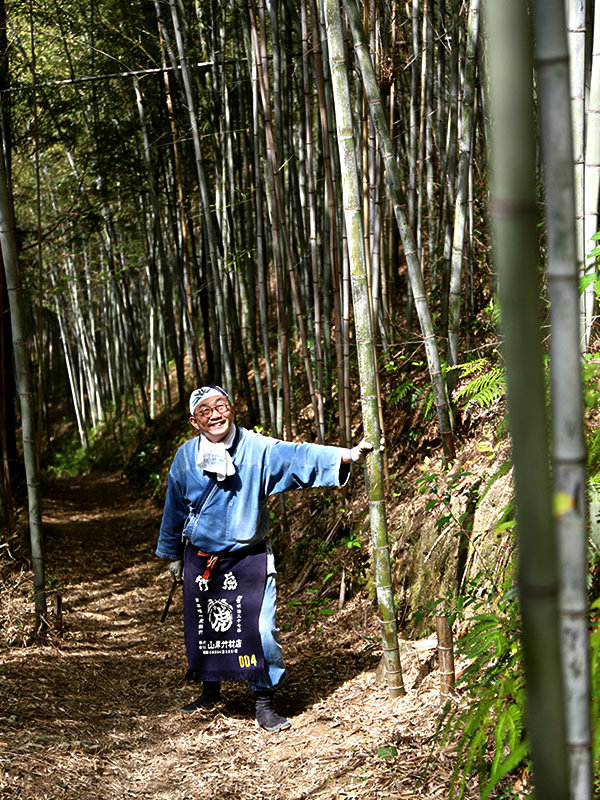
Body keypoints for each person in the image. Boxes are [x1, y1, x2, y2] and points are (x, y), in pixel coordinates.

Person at [155, 385, 372, 732]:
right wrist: (172, 555)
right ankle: (210, 693)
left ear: (232, 408)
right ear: (194, 421)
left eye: (221, 405)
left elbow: (297, 455)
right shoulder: (185, 457)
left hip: (248, 556)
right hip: (202, 558)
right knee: (206, 628)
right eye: (205, 410)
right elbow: (175, 509)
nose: (215, 414)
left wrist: (344, 455)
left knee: (261, 630)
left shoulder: (256, 448)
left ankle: (264, 700)